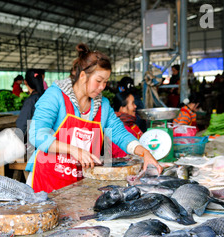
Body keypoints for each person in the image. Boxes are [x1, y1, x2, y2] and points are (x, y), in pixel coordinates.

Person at [26, 43, 162, 193]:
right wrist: (73, 150)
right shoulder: (55, 96)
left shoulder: (102, 105)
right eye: (98, 81)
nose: (102, 87)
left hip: (79, 183)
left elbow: (119, 134)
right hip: (45, 182)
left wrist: (144, 152)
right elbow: (37, 135)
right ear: (83, 76)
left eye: (105, 82)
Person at [111, 91, 143, 158]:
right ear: (122, 108)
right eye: (132, 103)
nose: (135, 106)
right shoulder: (120, 130)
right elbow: (124, 159)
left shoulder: (132, 124)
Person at [16, 69, 46, 138]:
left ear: (25, 82)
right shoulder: (48, 96)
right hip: (51, 139)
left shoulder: (30, 101)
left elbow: (22, 125)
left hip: (35, 142)